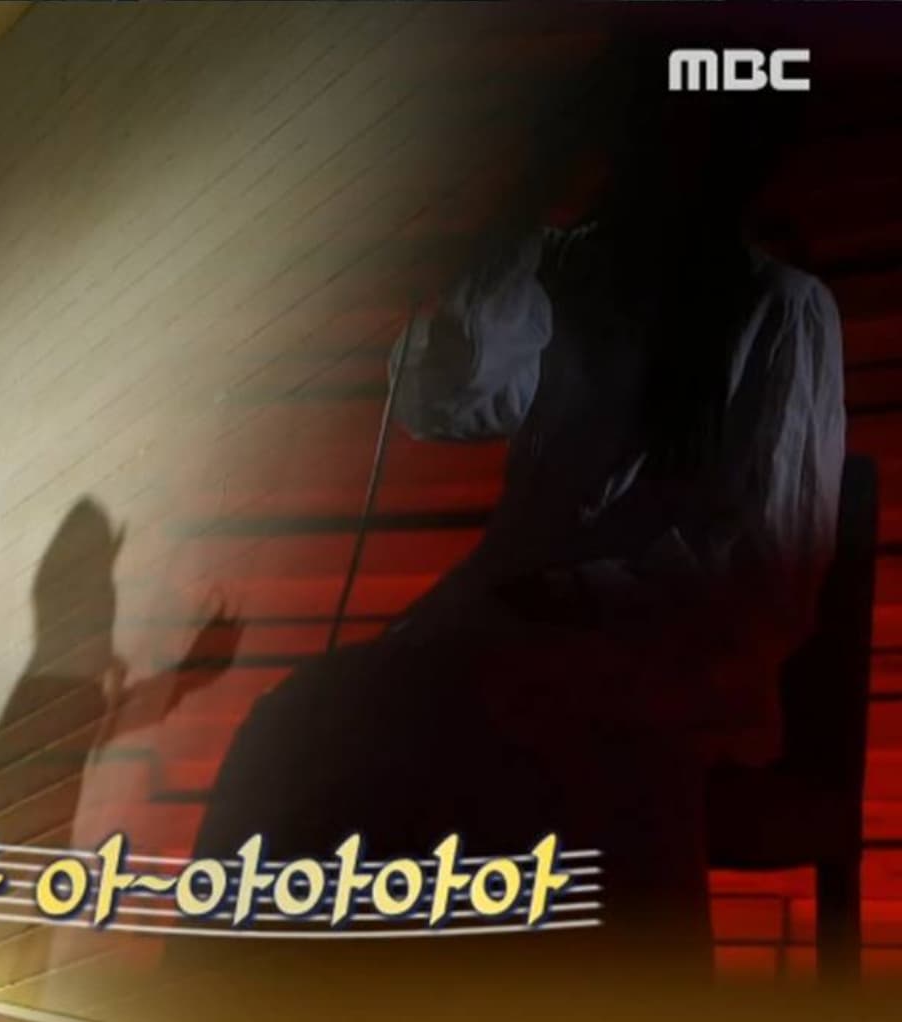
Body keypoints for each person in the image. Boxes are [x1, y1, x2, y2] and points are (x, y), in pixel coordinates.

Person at [192, 54, 844, 990]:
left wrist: (573, 598)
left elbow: (765, 561)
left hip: (665, 655)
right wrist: (520, 206)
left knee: (506, 744)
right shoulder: (570, 274)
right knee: (297, 727)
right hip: (500, 633)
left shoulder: (780, 309)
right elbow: (445, 400)